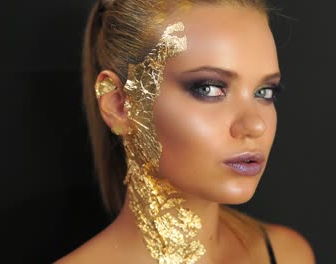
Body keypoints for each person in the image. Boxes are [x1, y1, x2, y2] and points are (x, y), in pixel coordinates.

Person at [57, 0, 315, 263]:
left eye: (265, 92)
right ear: (120, 104)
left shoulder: (287, 254)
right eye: (209, 88)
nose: (255, 125)